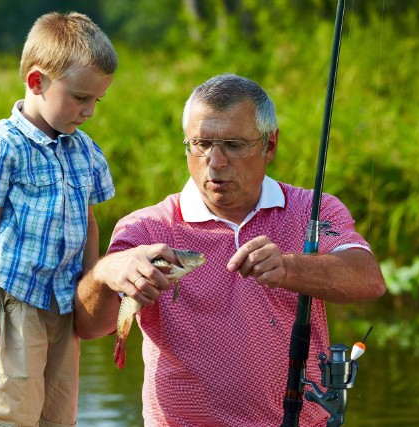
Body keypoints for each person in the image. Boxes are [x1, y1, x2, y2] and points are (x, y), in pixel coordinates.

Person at [74, 73, 386, 426]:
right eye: (202, 143)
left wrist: (288, 269)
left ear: (269, 146)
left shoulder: (312, 210)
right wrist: (103, 273)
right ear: (187, 146)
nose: (215, 162)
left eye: (234, 145)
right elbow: (90, 326)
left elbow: (368, 278)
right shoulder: (145, 227)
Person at [0, 11, 117, 427]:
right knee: (18, 405)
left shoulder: (83, 150)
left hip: (66, 300)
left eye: (96, 101)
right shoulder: (1, 148)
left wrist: (91, 289)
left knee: (60, 409)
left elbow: (89, 224)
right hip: (18, 300)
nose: (89, 111)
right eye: (80, 97)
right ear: (36, 82)